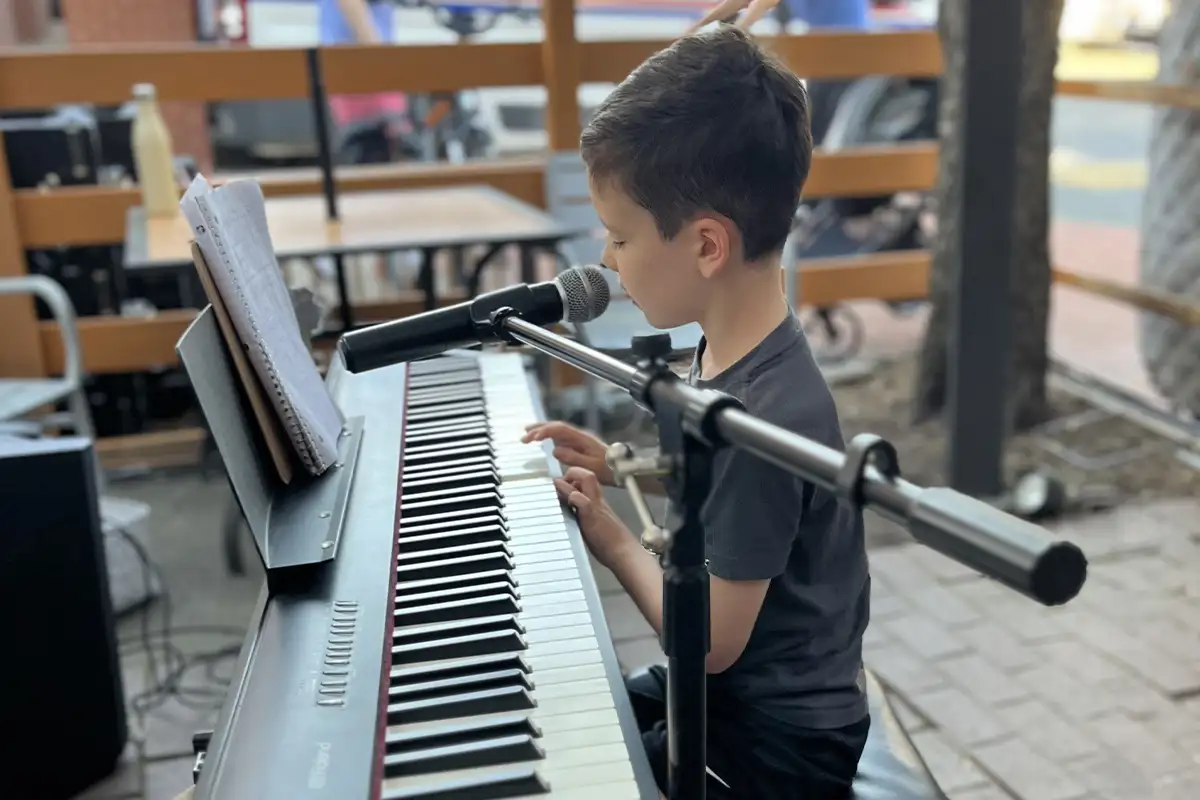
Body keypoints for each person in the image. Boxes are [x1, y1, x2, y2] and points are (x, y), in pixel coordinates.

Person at [522, 24, 871, 800]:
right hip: (744, 701)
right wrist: (622, 469)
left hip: (779, 744)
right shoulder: (728, 349)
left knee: (581, 775)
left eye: (619, 236)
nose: (606, 260)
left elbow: (708, 642)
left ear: (707, 245)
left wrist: (614, 543)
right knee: (571, 713)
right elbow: (711, 497)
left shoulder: (765, 417)